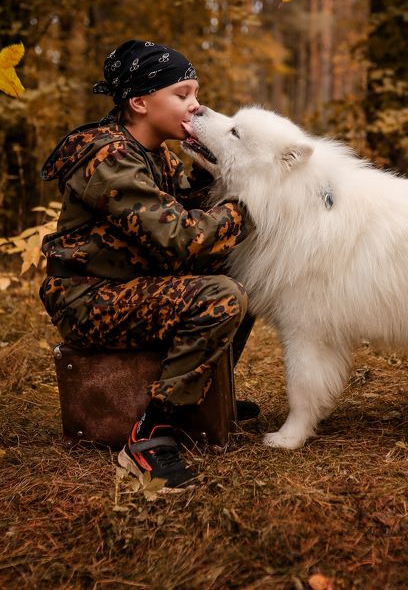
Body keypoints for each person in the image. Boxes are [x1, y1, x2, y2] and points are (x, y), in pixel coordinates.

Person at [38, 39, 257, 489]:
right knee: (222, 295)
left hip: (129, 286)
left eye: (196, 94)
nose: (196, 107)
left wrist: (212, 160)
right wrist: (256, 203)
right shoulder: (108, 158)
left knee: (243, 274)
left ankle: (203, 399)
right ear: (139, 101)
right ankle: (152, 434)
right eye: (182, 95)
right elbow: (182, 239)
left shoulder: (155, 153)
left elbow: (193, 205)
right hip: (88, 299)